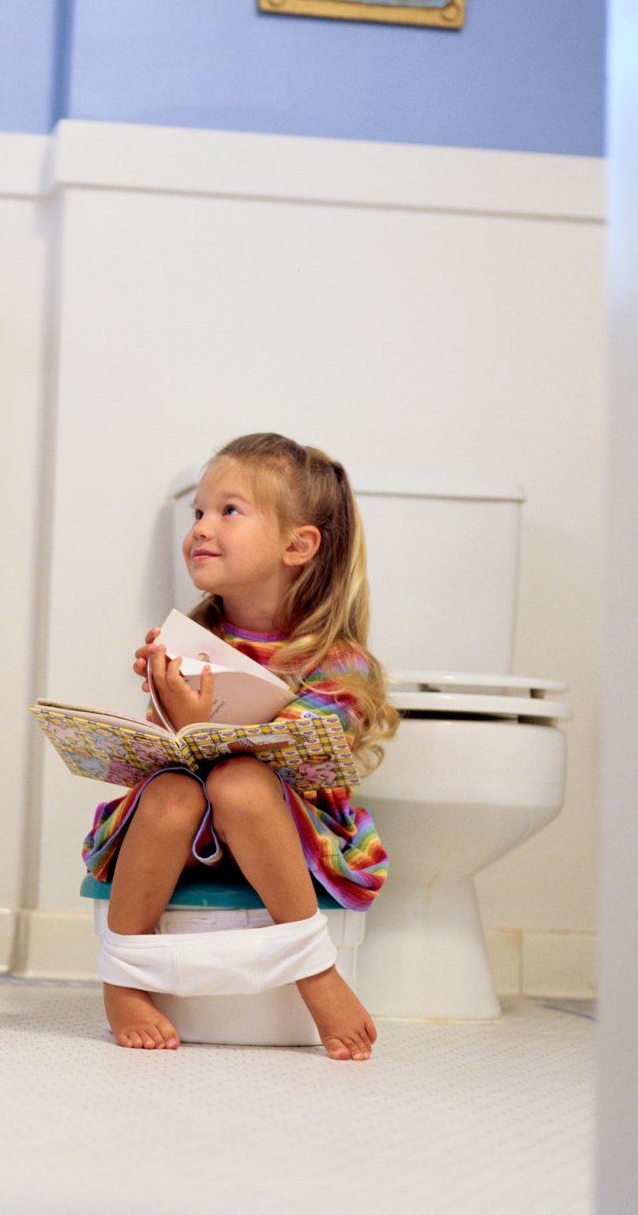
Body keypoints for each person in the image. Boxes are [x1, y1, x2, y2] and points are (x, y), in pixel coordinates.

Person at [83, 432, 396, 1059]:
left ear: (298, 545)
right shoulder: (187, 640)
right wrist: (174, 716)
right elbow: (168, 758)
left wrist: (216, 731)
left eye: (229, 511)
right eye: (198, 511)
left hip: (287, 837)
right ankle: (125, 977)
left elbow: (307, 762)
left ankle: (315, 969)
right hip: (186, 833)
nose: (201, 527)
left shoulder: (340, 663)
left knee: (240, 781)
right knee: (171, 791)